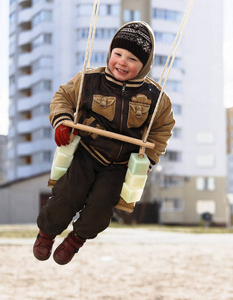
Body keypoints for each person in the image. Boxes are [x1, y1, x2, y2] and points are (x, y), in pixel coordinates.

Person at [33, 21, 175, 265]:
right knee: (67, 196)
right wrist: (62, 122)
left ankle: (76, 240)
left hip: (119, 164)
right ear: (110, 53)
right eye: (117, 54)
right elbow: (63, 98)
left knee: (100, 210)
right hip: (86, 153)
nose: (121, 62)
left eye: (132, 59)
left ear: (144, 65)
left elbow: (162, 128)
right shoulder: (90, 80)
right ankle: (46, 233)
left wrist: (150, 158)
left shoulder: (154, 97)